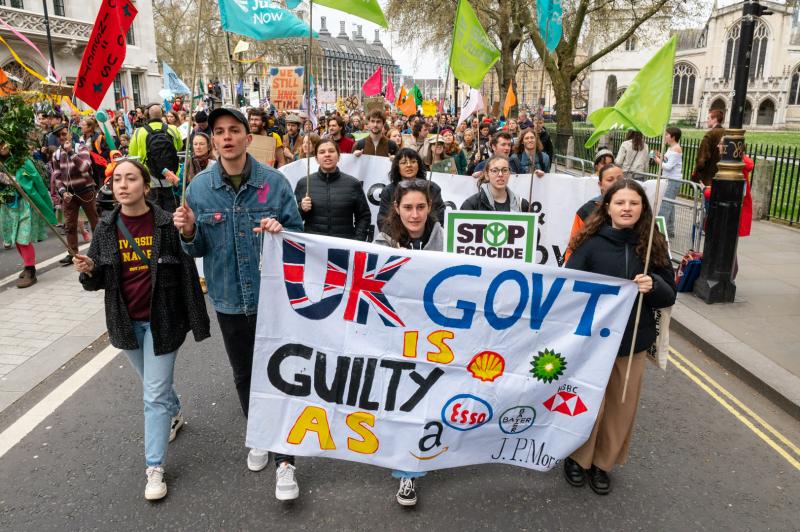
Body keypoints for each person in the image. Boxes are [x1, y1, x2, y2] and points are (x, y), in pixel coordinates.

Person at [172, 107, 304, 501]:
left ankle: (286, 461)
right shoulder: (198, 189)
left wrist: (282, 231)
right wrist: (190, 231)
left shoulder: (275, 184)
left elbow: (298, 237)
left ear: (248, 137)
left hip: (273, 300)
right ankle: (260, 434)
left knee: (280, 376)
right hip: (229, 300)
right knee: (245, 376)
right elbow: (195, 248)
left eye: (234, 130)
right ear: (212, 140)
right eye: (219, 132)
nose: (227, 137)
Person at [73, 159, 210, 501]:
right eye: (117, 179)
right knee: (154, 386)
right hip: (125, 322)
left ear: (145, 187)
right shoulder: (106, 228)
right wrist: (89, 270)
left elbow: (187, 273)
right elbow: (97, 281)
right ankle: (174, 412)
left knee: (152, 395)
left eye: (130, 178)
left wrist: (195, 318)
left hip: (164, 323)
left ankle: (154, 468)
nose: (122, 185)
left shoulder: (166, 224)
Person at [563, 178, 675, 495]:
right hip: (592, 344)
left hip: (632, 344)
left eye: (634, 203)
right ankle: (577, 459)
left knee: (619, 408)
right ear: (608, 206)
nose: (627, 208)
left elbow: (669, 297)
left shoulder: (654, 243)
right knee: (588, 405)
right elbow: (569, 290)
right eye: (620, 202)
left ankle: (602, 464)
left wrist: (653, 283)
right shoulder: (590, 242)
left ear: (643, 208)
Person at [375, 181, 443, 506]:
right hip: (396, 334)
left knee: (428, 396)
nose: (414, 215)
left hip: (436, 336)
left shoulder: (445, 235)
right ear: (396, 209)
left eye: (420, 207)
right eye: (407, 208)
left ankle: (426, 453)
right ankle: (407, 470)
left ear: (429, 208)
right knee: (402, 398)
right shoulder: (382, 240)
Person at [0, 140, 56, 288]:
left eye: (4, 143)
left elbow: (36, 181)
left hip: (24, 204)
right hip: (7, 206)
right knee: (15, 238)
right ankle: (27, 264)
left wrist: (16, 182)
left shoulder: (22, 161)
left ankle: (30, 270)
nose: (3, 147)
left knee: (23, 238)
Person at [294, 139, 371, 240]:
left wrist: (357, 240)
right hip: (313, 248)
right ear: (316, 159)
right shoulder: (304, 184)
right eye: (322, 152)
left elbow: (364, 216)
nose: (327, 155)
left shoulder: (353, 184)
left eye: (331, 151)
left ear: (338, 157)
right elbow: (293, 219)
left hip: (344, 247)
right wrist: (301, 209)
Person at [51, 130, 100, 265]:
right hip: (69, 195)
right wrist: (62, 191)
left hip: (86, 191)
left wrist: (71, 153)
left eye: (64, 133)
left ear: (70, 135)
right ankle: (73, 254)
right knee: (69, 225)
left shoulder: (81, 148)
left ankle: (99, 250)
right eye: (59, 135)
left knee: (94, 221)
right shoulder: (56, 154)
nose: (62, 137)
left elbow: (85, 167)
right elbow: (57, 175)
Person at [128, 104, 183, 213]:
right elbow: (179, 146)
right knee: (172, 212)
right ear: (162, 114)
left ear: (147, 115)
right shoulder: (173, 129)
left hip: (150, 179)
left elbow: (132, 154)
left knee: (154, 213)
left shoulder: (139, 132)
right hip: (171, 177)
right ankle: (173, 230)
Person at [377, 148, 445, 231]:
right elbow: (383, 221)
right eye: (404, 162)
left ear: (419, 165)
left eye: (413, 162)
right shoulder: (388, 191)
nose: (409, 165)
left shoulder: (432, 188)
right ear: (397, 167)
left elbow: (441, 217)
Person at [568, 163, 625, 247]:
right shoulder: (586, 211)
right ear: (600, 184)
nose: (616, 183)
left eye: (620, 179)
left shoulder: (634, 210)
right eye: (610, 179)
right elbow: (573, 246)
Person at [461, 155, 530, 212]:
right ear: (487, 175)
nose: (500, 174)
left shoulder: (522, 205)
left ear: (509, 174)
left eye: (505, 170)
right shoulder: (471, 205)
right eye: (495, 170)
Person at [653, 127, 683, 237]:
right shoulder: (671, 148)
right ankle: (670, 231)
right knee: (670, 204)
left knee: (665, 205)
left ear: (673, 137)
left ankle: (659, 233)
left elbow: (669, 166)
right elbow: (668, 160)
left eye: (667, 134)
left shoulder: (676, 149)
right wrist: (661, 156)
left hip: (672, 181)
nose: (664, 136)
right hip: (668, 179)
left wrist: (657, 160)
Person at [691, 109, 726, 187]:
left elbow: (702, 157)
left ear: (715, 119)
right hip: (722, 173)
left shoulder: (710, 134)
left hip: (709, 175)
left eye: (708, 118)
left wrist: (697, 170)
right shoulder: (726, 132)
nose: (707, 121)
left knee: (707, 197)